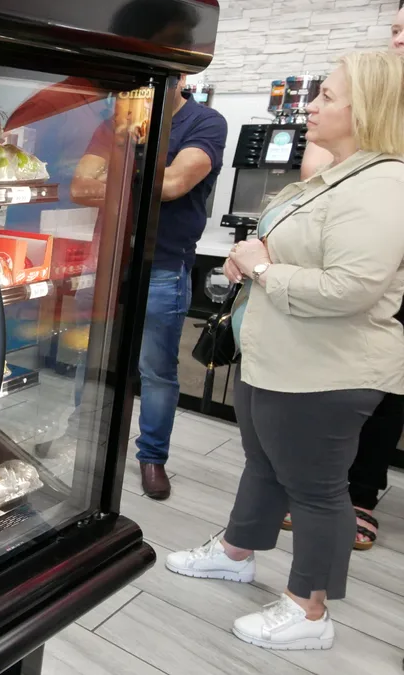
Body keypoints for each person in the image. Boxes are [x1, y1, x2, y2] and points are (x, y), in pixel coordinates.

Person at [166, 50, 404, 651]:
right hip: (278, 356)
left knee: (319, 487)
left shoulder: (385, 184)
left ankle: (310, 611)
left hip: (325, 368)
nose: (310, 105)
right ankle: (235, 551)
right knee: (265, 463)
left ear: (367, 106)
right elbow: (285, 238)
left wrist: (265, 270)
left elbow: (352, 288)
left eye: (326, 95)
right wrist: (252, 259)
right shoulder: (339, 174)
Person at [282, 5, 404, 551]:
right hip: (352, 241)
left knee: (381, 375)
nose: (399, 35)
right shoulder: (361, 85)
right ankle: (318, 488)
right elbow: (316, 171)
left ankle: (356, 493)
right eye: (397, 26)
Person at [72, 74, 227, 499]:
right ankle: (80, 433)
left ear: (177, 79)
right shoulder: (116, 125)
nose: (135, 94)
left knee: (156, 370)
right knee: (93, 352)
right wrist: (139, 173)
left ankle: (152, 457)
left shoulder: (204, 123)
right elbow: (80, 187)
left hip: (163, 264)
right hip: (108, 262)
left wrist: (119, 174)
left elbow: (177, 185)